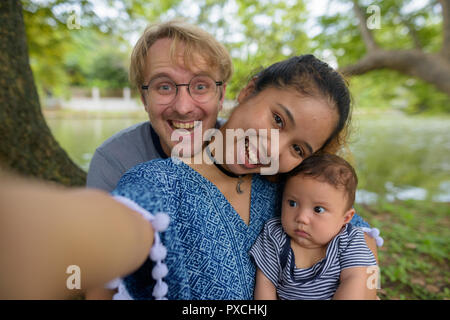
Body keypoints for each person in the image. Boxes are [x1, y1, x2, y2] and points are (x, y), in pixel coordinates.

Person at [108, 54, 379, 300]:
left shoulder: (293, 191)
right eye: (278, 120)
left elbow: (358, 230)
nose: (273, 149)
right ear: (249, 91)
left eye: (297, 149)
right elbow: (109, 235)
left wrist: (362, 279)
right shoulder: (158, 183)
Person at [86, 19, 232, 192]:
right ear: (144, 98)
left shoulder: (251, 152)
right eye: (164, 87)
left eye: (200, 86)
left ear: (221, 95)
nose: (183, 108)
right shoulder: (114, 162)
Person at [249, 153, 380, 300]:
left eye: (318, 209)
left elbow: (357, 280)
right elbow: (266, 283)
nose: (301, 218)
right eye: (292, 203)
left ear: (346, 218)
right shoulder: (275, 236)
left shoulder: (349, 240)